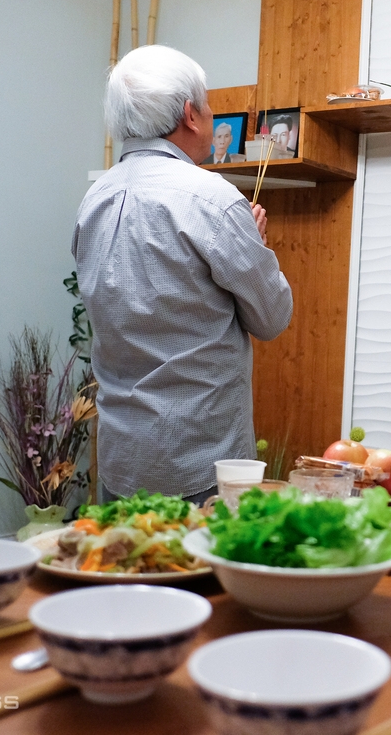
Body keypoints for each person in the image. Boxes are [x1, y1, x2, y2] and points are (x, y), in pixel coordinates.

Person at [72, 45, 293, 506]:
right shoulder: (213, 199)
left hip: (120, 456)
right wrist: (258, 247)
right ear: (190, 115)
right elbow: (272, 318)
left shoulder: (93, 200)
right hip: (199, 458)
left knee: (126, 572)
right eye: (209, 105)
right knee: (197, 575)